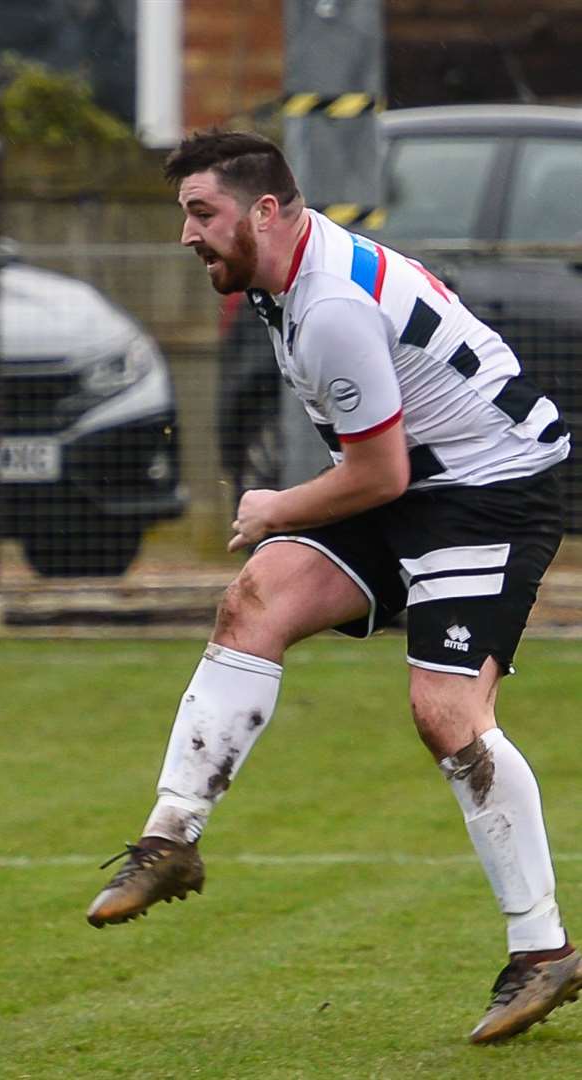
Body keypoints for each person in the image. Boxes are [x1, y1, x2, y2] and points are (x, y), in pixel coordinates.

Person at [85, 130, 575, 1045]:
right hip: (422, 479)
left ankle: (542, 952)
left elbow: (378, 473)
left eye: (201, 213)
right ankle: (170, 841)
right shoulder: (289, 279)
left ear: (265, 211)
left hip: (487, 493)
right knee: (254, 603)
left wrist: (275, 506)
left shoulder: (330, 306)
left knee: (447, 717)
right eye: (184, 214)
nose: (186, 235)